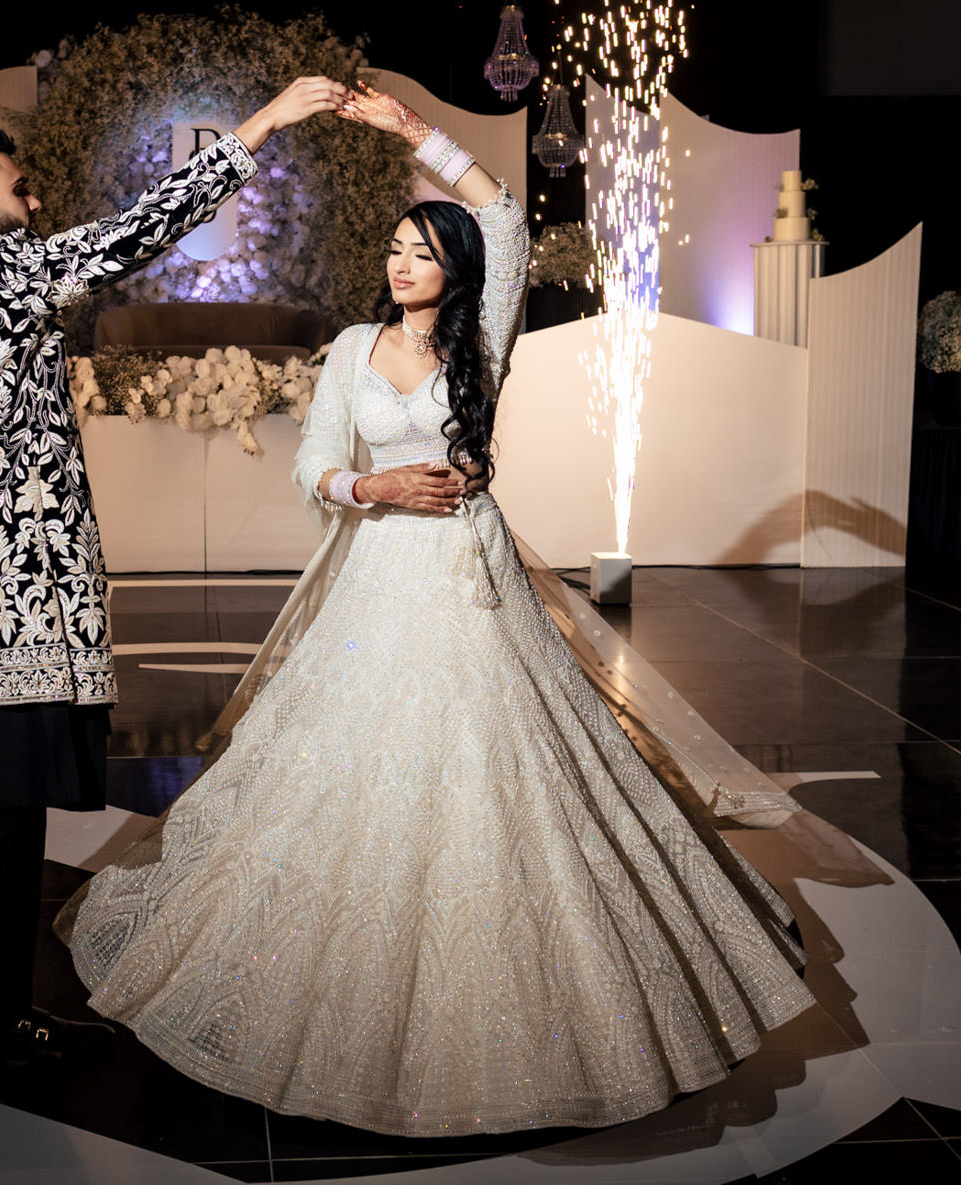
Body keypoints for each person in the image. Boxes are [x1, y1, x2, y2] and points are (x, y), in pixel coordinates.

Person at [58, 84, 815, 1133]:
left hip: (469, 570)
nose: (400, 262)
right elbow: (315, 464)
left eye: (420, 249)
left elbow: (503, 215)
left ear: (454, 270)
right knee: (352, 764)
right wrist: (370, 488)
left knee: (508, 761)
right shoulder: (353, 348)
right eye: (394, 248)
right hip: (379, 574)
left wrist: (418, 135)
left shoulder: (480, 341)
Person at [0, 75, 350, 1070]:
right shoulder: (5, 276)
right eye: (19, 190)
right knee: (4, 818)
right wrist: (263, 123)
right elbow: (145, 226)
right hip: (11, 609)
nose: (35, 203)